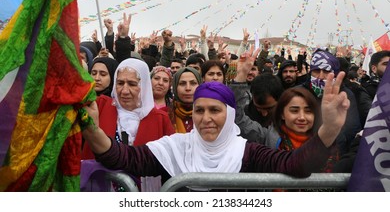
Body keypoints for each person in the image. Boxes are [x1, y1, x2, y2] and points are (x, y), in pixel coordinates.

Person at [82, 76, 350, 189]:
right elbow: (122, 158)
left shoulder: (247, 152)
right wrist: (92, 128)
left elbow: (296, 164)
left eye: (215, 110)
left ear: (230, 114)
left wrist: (330, 128)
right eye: (199, 111)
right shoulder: (175, 147)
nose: (206, 119)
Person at [81, 58, 175, 190]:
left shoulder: (160, 119)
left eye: (132, 84)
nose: (124, 91)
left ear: (144, 86)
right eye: (120, 83)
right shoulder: (100, 105)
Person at [171, 66, 202, 133]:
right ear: (175, 87)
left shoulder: (210, 114)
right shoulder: (166, 114)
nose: (188, 88)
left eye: (193, 83)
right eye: (182, 84)